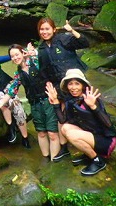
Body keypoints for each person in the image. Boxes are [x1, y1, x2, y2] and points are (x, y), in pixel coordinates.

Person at [35, 18, 89, 161]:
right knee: (62, 115)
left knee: (82, 112)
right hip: (58, 85)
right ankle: (64, 147)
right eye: (42, 29)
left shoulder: (63, 39)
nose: (44, 32)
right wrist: (48, 85)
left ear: (54, 29)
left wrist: (72, 30)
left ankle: (87, 146)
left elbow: (85, 43)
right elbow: (43, 70)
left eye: (47, 29)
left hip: (75, 82)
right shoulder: (41, 49)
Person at [45, 69, 116, 176]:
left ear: (83, 85)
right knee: (65, 128)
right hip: (90, 137)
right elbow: (63, 120)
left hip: (105, 141)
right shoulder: (71, 101)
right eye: (70, 84)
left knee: (70, 134)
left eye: (77, 84)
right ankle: (90, 154)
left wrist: (93, 106)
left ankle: (98, 161)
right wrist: (56, 102)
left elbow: (108, 124)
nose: (73, 88)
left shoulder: (90, 98)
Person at [3, 44, 60, 160]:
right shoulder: (18, 74)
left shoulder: (36, 62)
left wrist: (35, 53)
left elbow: (49, 58)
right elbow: (11, 90)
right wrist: (0, 103)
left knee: (53, 134)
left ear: (23, 52)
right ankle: (46, 158)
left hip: (48, 100)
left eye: (16, 54)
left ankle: (54, 160)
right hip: (35, 104)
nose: (15, 58)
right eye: (12, 56)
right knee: (41, 133)